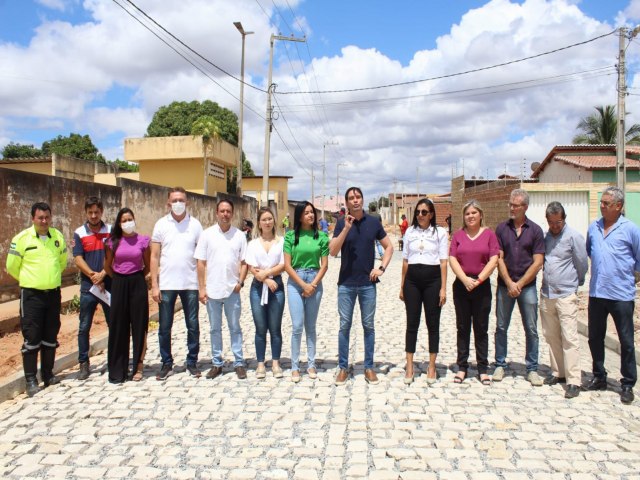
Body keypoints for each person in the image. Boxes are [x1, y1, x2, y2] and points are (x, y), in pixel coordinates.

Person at [330, 187, 393, 385]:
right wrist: (346, 228)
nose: (355, 201)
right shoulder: (341, 223)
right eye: (351, 198)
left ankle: (368, 367)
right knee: (344, 326)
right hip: (346, 284)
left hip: (368, 284)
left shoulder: (373, 222)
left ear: (362, 200)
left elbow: (389, 247)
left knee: (368, 326)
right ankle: (342, 368)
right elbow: (332, 251)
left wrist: (381, 267)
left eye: (358, 197)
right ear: (347, 203)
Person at [6, 202, 67, 397]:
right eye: (40, 218)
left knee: (50, 335)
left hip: (53, 294)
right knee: (32, 337)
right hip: (32, 296)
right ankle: (31, 380)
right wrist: (31, 280)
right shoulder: (22, 239)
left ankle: (48, 375)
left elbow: (62, 262)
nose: (44, 221)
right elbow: (12, 267)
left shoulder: (57, 237)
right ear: (33, 218)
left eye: (47, 217)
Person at [586, 186, 640, 405]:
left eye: (606, 203)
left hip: (621, 295)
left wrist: (632, 279)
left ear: (619, 206)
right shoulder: (594, 227)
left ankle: (627, 383)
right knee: (594, 337)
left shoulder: (631, 229)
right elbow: (591, 251)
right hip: (597, 293)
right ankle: (599, 376)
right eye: (601, 202)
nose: (602, 206)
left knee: (626, 340)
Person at [493, 189, 545, 385]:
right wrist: (509, 283)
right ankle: (500, 364)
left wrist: (520, 284)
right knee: (500, 326)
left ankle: (532, 368)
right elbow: (499, 258)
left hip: (528, 287)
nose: (512, 208)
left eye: (515, 205)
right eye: (511, 204)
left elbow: (538, 261)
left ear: (525, 207)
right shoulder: (501, 229)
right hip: (505, 285)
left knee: (531, 328)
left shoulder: (536, 230)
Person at [150, 187, 203, 380]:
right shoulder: (161, 224)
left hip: (190, 284)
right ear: (168, 203)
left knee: (193, 325)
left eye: (181, 200)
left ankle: (192, 362)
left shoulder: (196, 225)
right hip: (166, 284)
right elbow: (154, 256)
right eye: (174, 200)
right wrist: (155, 285)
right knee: (164, 327)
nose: (178, 203)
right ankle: (166, 363)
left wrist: (202, 286)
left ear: (187, 202)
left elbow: (201, 259)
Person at [195, 199, 248, 380]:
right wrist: (201, 288)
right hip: (213, 290)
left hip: (232, 290)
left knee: (235, 327)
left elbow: (244, 262)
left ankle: (239, 362)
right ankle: (217, 363)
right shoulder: (207, 234)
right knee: (214, 328)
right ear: (216, 213)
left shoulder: (240, 236)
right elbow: (201, 263)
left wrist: (240, 282)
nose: (225, 214)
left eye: (228, 211)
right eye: (222, 211)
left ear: (232, 214)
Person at [539, 201, 588, 399]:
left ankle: (574, 379)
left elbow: (582, 263)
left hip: (566, 293)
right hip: (547, 293)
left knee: (569, 337)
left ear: (564, 219)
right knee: (551, 335)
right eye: (551, 222)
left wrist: (577, 282)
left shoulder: (573, 236)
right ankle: (557, 371)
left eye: (557, 222)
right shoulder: (546, 237)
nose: (554, 226)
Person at [448, 200, 499, 386]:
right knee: (462, 328)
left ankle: (483, 368)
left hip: (481, 286)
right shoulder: (458, 235)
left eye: (473, 213)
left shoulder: (489, 235)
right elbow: (452, 258)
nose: (470, 216)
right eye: (467, 213)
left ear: (480, 215)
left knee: (481, 328)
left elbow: (494, 259)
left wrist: (478, 280)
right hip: (462, 285)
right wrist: (464, 279)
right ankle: (462, 367)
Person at [399, 198, 448, 385]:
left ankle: (432, 365)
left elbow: (443, 262)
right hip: (412, 280)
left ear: (431, 214)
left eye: (424, 212)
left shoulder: (440, 233)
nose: (420, 215)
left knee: (432, 323)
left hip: (432, 280)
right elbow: (405, 261)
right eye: (418, 212)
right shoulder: (410, 232)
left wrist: (443, 288)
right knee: (412, 323)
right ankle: (409, 365)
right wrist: (402, 285)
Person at [104, 208, 151, 384]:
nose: (127, 223)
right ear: (118, 223)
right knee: (118, 326)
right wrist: (118, 278)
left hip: (137, 282)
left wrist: (136, 277)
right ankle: (118, 368)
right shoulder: (112, 242)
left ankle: (138, 365)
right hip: (118, 283)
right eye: (124, 220)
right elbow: (107, 266)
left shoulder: (143, 241)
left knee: (139, 325)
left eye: (130, 219)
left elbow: (147, 265)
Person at [284, 202, 329, 383]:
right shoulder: (290, 237)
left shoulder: (322, 237)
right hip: (296, 281)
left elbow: (324, 265)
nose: (311, 215)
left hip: (315, 280)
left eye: (312, 212)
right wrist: (303, 285)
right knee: (297, 327)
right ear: (300, 216)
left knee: (311, 326)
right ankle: (295, 367)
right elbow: (287, 265)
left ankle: (311, 364)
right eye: (307, 212)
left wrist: (313, 285)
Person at [72, 196, 111, 381]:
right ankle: (83, 363)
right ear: (86, 213)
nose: (94, 216)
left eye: (97, 212)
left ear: (101, 211)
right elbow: (78, 258)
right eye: (90, 212)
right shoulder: (79, 233)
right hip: (89, 287)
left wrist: (103, 274)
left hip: (108, 285)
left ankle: (115, 359)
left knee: (114, 324)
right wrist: (93, 276)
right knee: (84, 326)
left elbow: (114, 256)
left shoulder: (110, 230)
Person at [246, 207, 286, 379]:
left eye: (270, 219)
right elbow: (251, 267)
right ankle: (261, 363)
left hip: (276, 287)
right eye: (264, 219)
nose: (267, 222)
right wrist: (265, 278)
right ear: (259, 223)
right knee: (260, 328)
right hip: (258, 287)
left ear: (274, 221)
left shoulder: (282, 241)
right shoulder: (253, 244)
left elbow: (284, 264)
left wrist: (269, 276)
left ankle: (276, 362)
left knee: (275, 328)